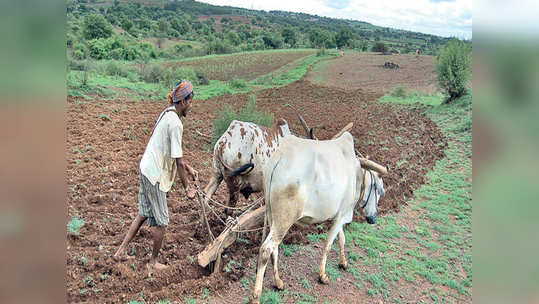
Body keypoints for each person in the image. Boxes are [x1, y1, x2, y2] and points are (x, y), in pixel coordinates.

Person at [113, 80, 199, 271]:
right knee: (162, 221)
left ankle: (120, 251)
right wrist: (188, 188)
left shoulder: (166, 113)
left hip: (146, 168)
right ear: (183, 101)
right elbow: (177, 161)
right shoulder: (176, 123)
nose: (191, 106)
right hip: (154, 176)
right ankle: (153, 262)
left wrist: (189, 169)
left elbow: (175, 155)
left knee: (144, 213)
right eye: (190, 101)